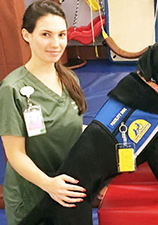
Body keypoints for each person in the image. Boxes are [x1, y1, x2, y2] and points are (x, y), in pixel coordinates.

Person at [0, 1, 88, 224]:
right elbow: (15, 154)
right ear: (26, 35)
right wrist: (49, 184)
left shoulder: (70, 79)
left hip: (69, 190)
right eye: (46, 34)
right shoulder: (12, 89)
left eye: (61, 34)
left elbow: (74, 130)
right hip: (32, 196)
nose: (56, 44)